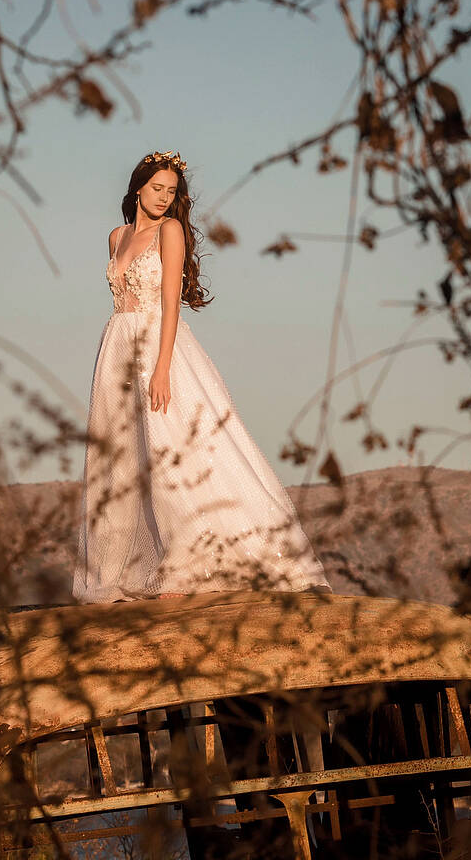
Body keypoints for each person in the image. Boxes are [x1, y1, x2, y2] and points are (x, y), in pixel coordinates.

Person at [73, 150, 332, 601]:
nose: (163, 197)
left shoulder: (170, 231)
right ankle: (117, 572)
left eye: (171, 191)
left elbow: (171, 303)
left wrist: (162, 369)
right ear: (137, 187)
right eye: (156, 188)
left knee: (180, 450)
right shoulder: (115, 237)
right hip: (116, 348)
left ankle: (210, 562)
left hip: (160, 345)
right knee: (120, 460)